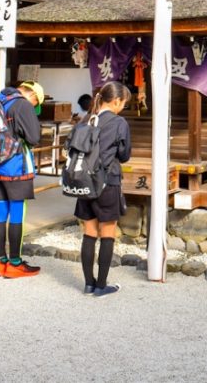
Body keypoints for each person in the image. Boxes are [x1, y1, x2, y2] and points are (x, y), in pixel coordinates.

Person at [74, 81, 132, 296]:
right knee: (107, 233)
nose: (122, 107)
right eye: (123, 103)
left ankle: (88, 283)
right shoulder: (119, 123)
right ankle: (101, 286)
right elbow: (125, 155)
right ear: (116, 101)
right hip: (108, 181)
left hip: (83, 182)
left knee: (89, 232)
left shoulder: (85, 120)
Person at [0, 81, 45, 279]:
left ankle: (0, 262)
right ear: (33, 96)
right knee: (17, 213)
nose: (34, 106)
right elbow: (34, 137)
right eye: (36, 102)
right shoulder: (23, 105)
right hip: (16, 167)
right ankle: (15, 263)